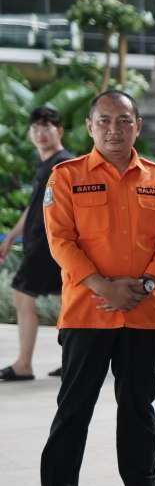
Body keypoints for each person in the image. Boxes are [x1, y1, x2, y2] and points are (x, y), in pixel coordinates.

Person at [37, 90, 155, 486]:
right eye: (105, 121)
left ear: (137, 125)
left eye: (123, 120)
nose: (114, 129)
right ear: (90, 127)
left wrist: (145, 286)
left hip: (142, 313)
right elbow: (61, 241)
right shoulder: (66, 177)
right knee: (73, 408)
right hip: (87, 312)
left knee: (138, 407)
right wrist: (103, 287)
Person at [0, 106, 73, 381]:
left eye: (47, 127)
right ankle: (73, 361)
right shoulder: (45, 164)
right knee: (70, 302)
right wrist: (10, 237)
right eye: (36, 128)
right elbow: (33, 207)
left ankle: (24, 364)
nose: (40, 133)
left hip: (48, 246)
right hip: (40, 245)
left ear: (60, 130)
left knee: (22, 294)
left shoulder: (63, 164)